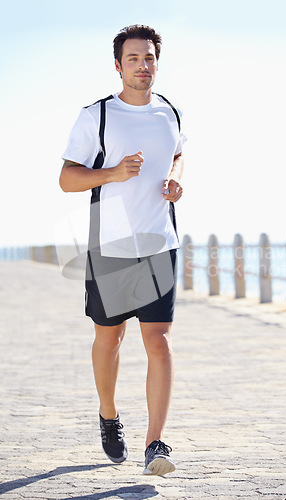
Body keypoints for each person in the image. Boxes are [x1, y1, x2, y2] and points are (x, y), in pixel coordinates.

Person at [59, 24, 185, 476]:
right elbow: (67, 179)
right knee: (110, 337)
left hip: (159, 243)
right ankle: (109, 415)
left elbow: (175, 154)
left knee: (159, 340)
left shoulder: (170, 111)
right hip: (110, 244)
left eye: (149, 57)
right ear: (118, 65)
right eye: (133, 58)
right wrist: (111, 174)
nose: (142, 65)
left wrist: (174, 183)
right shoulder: (98, 116)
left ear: (157, 61)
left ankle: (156, 444)